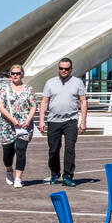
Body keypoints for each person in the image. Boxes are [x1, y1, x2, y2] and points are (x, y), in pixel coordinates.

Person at [37, 57, 87, 186]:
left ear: (71, 69)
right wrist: (41, 120)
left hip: (71, 120)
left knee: (70, 149)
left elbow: (83, 101)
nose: (63, 71)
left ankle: (68, 176)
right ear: (58, 69)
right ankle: (54, 173)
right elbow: (44, 102)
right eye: (61, 68)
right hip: (53, 120)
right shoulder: (50, 83)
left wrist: (83, 121)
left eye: (66, 69)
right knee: (53, 150)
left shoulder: (78, 82)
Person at [0, 64, 36, 187]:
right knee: (8, 152)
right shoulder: (4, 89)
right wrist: (13, 120)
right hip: (7, 125)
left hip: (24, 125)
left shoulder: (29, 89)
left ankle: (18, 178)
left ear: (22, 75)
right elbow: (1, 107)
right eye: (13, 73)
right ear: (10, 75)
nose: (15, 75)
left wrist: (28, 120)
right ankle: (9, 170)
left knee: (21, 150)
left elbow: (33, 106)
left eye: (18, 73)